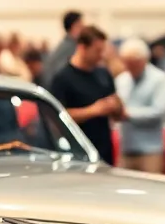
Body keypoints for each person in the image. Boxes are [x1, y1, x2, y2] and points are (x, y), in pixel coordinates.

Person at [48, 26, 122, 164]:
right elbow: (57, 117)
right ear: (82, 47)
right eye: (97, 51)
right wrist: (93, 111)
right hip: (78, 153)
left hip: (104, 150)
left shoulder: (103, 74)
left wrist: (116, 106)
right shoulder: (63, 78)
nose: (101, 55)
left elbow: (116, 104)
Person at [106, 39, 165, 173]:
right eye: (126, 63)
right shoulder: (122, 80)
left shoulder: (160, 79)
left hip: (150, 151)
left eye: (133, 64)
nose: (129, 67)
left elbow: (159, 111)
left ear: (144, 60)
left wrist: (128, 114)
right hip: (126, 148)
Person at [42, 10, 84, 87]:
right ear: (73, 27)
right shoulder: (68, 48)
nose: (83, 29)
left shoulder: (67, 46)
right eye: (80, 26)